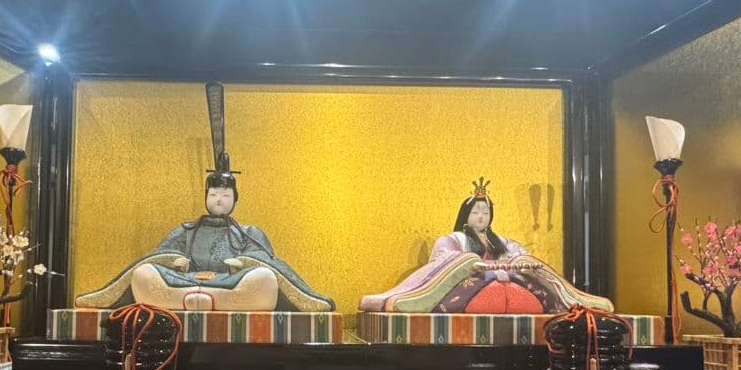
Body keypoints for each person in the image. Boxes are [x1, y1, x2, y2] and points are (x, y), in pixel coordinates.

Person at [75, 122, 334, 313]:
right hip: (187, 281)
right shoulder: (187, 230)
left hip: (230, 283)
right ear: (205, 196)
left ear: (235, 199)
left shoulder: (248, 232)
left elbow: (267, 261)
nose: (219, 199)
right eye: (213, 194)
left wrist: (243, 263)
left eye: (225, 195)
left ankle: (195, 300)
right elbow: (159, 255)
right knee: (144, 274)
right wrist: (173, 261)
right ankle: (210, 300)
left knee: (264, 280)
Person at [359, 177, 612, 314]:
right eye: (476, 212)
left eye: (485, 212)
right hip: (475, 286)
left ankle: (576, 301)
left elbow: (520, 257)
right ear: (465, 215)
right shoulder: (453, 240)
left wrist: (516, 265)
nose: (481, 217)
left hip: (509, 285)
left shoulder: (502, 241)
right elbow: (443, 267)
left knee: (533, 275)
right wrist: (482, 268)